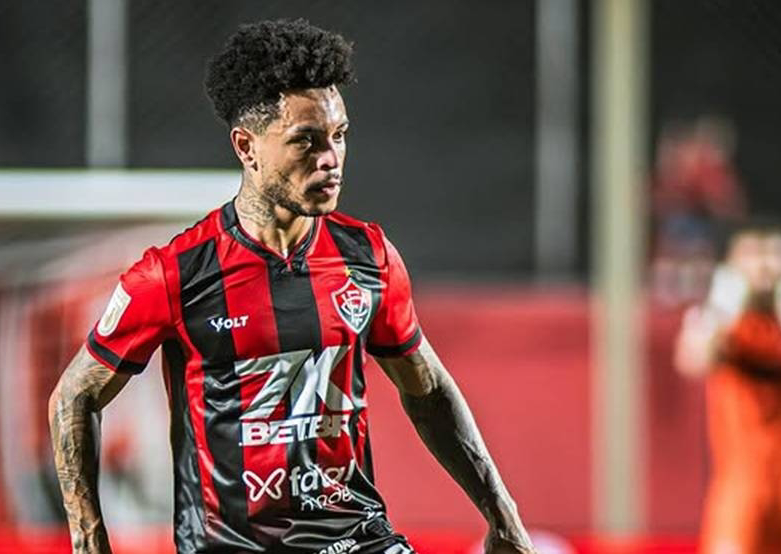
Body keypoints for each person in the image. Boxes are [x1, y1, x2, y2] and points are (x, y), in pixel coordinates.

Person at [48, 19, 536, 554]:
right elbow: (75, 396)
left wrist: (502, 513)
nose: (330, 158)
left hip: (356, 539)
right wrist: (88, 539)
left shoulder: (368, 256)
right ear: (247, 147)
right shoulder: (175, 274)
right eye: (306, 140)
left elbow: (430, 392)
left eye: (339, 135)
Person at [674, 219, 781, 554]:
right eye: (754, 256)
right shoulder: (719, 320)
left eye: (774, 255)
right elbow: (692, 360)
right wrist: (720, 312)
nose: (764, 268)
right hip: (741, 477)